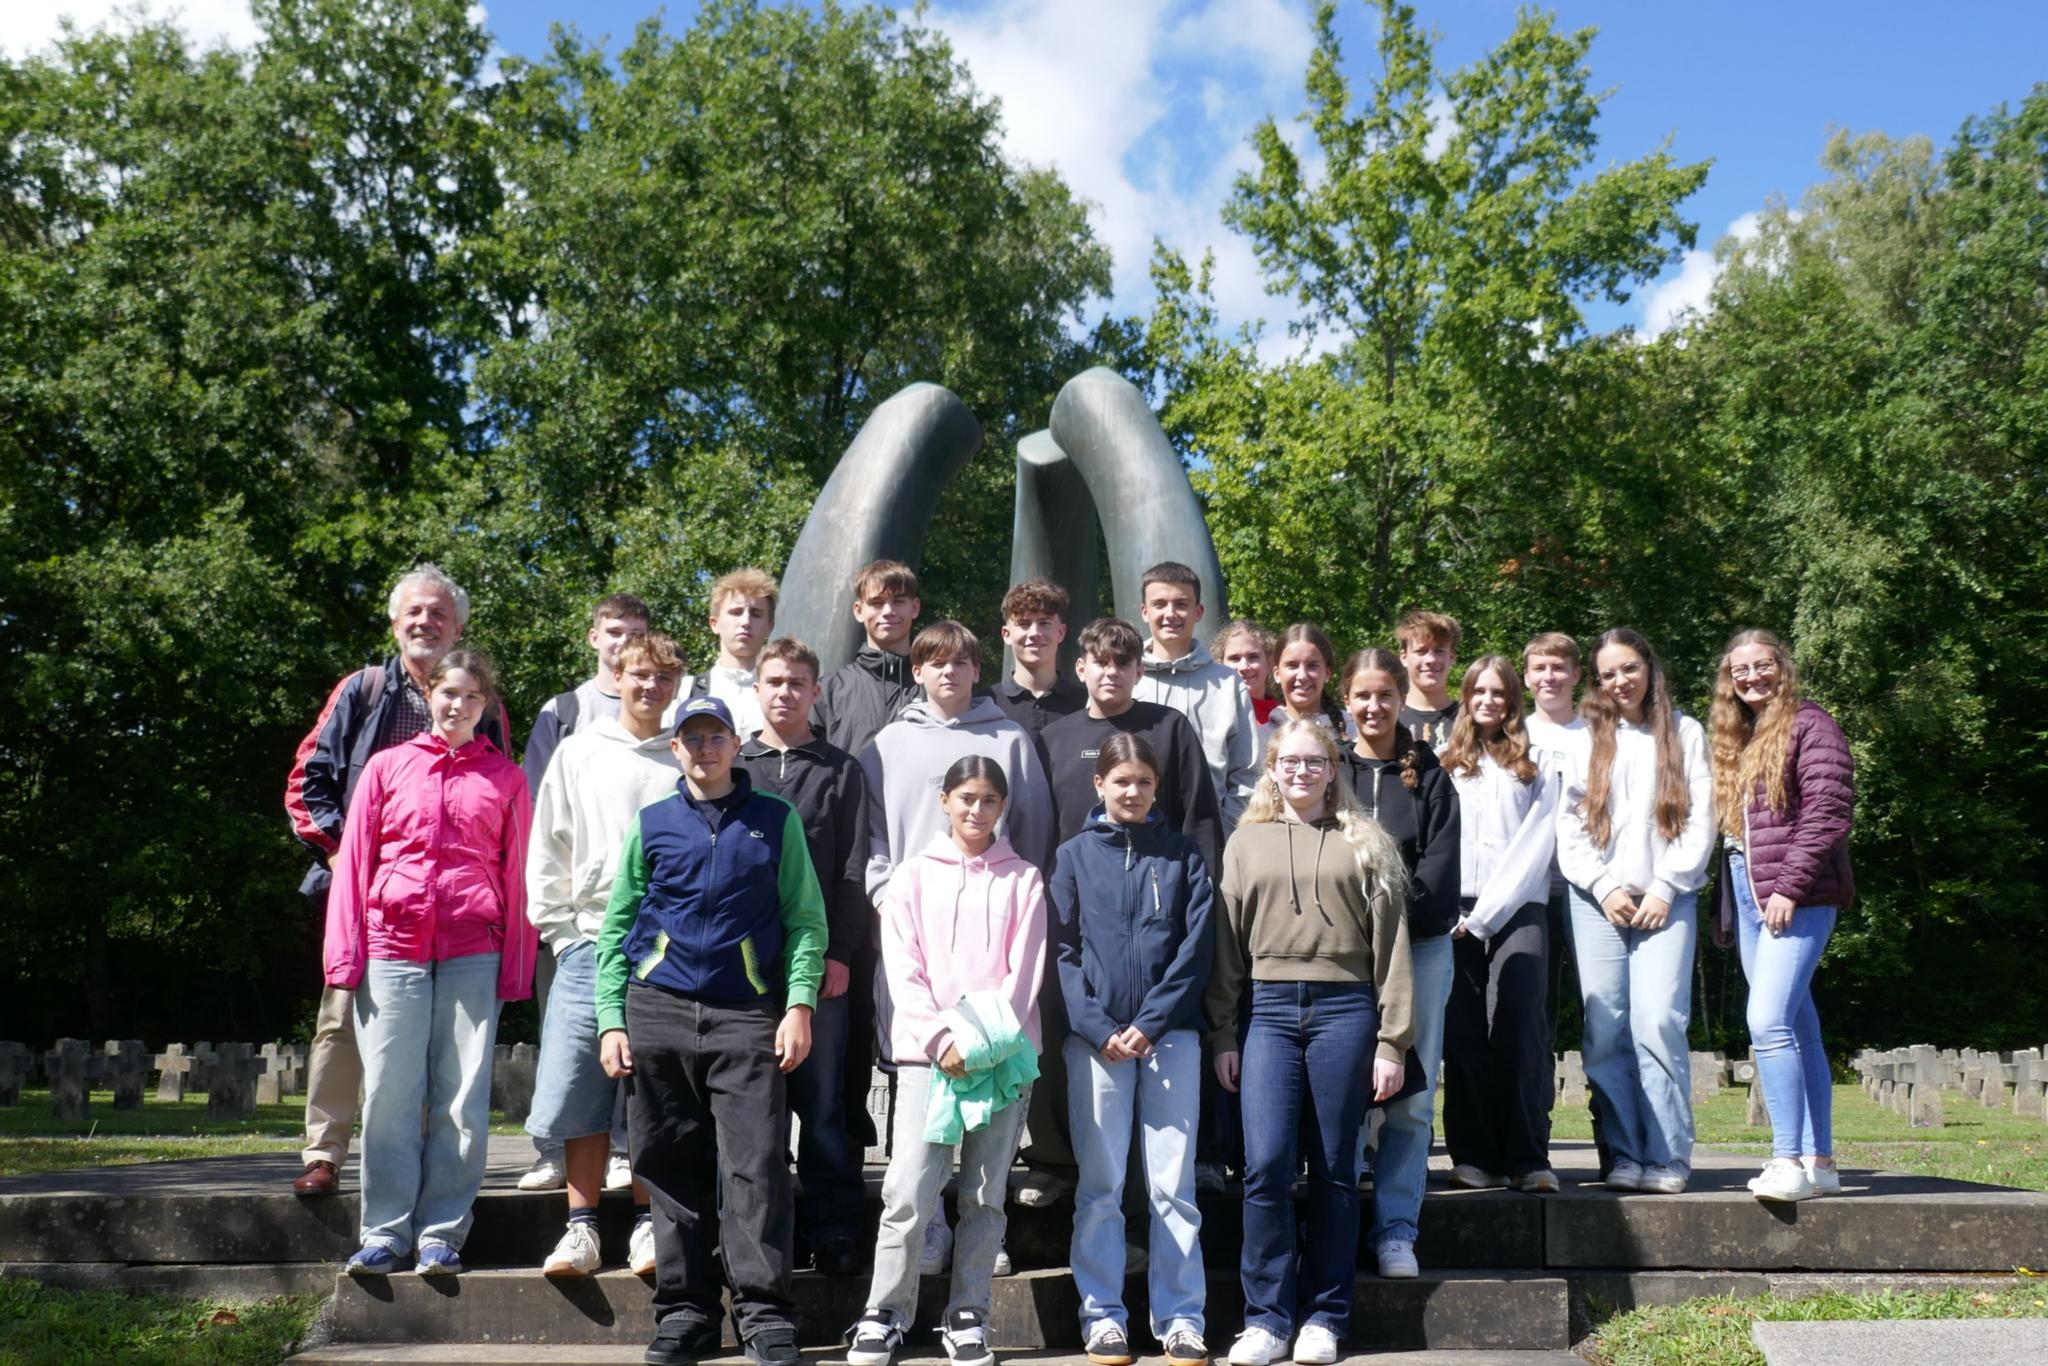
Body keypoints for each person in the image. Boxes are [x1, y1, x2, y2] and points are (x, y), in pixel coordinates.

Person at [596, 695, 827, 1366]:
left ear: (736, 744)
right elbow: (618, 927)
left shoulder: (775, 823)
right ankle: (686, 1314)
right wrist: (612, 1019)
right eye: (691, 737)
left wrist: (798, 1003)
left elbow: (806, 920)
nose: (704, 748)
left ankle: (765, 1315)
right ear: (676, 749)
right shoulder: (653, 824)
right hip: (658, 1011)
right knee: (670, 1167)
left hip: (747, 1015)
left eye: (716, 736)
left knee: (755, 1168)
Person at [284, 563, 510, 1196]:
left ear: (458, 625)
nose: (424, 622)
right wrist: (340, 853)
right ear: (394, 620)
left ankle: (408, 1162)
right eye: (413, 611)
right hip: (360, 892)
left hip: (453, 908)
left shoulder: (482, 703)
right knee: (341, 1018)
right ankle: (324, 1152)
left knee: (425, 1036)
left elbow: (501, 793)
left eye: (438, 613)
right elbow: (306, 783)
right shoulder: (362, 689)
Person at [1207, 721, 1416, 1366]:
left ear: (1333, 768)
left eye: (1315, 760)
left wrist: (1392, 1043)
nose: (1301, 771)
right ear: (1272, 768)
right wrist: (1221, 1032)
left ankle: (1324, 1315)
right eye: (1289, 761)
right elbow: (1225, 947)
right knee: (1266, 1163)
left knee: (1332, 1167)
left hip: (1345, 1010)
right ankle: (1266, 1319)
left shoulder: (1366, 841)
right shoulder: (1246, 843)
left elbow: (1393, 948)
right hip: (1266, 1010)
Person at [324, 649, 535, 1275]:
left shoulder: (506, 779)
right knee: (389, 1091)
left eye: (471, 698)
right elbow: (354, 866)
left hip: (475, 951)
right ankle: (385, 1232)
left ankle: (442, 1231)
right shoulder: (387, 768)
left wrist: (516, 968)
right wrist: (345, 960)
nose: (457, 706)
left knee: (462, 1096)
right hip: (392, 948)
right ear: (429, 697)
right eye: (448, 694)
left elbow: (517, 876)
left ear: (484, 707)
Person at [845, 757, 1048, 1366]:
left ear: (1002, 806)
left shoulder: (1024, 879)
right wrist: (942, 1041)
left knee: (985, 1195)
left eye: (989, 800)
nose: (976, 810)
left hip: (1001, 1057)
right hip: (926, 1060)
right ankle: (885, 1312)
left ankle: (969, 1314)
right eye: (966, 797)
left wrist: (980, 1046)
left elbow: (1025, 972)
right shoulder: (911, 877)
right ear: (945, 799)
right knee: (907, 1190)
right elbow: (903, 968)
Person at [861, 620, 1056, 1254]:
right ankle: (932, 1227)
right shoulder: (887, 744)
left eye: (962, 662)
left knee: (987, 1084)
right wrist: (889, 900)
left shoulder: (1010, 739)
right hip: (917, 940)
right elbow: (873, 842)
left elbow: (1034, 833)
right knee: (919, 1092)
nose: (949, 672)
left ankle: (977, 1222)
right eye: (935, 662)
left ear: (979, 669)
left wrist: (1011, 899)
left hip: (993, 943)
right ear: (916, 670)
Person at [1050, 734, 1213, 1366]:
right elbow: (1061, 952)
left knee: (1173, 1185)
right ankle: (1103, 1316)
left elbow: (1195, 950)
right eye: (1122, 781)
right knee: (1102, 1183)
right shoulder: (1071, 857)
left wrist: (1151, 1022)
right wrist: (1097, 1026)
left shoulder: (1182, 857)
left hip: (1169, 1039)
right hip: (1096, 1045)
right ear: (1100, 786)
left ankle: (1180, 1317)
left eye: (1144, 782)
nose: (1133, 792)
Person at [525, 631, 682, 1279]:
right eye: (638, 674)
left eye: (663, 678)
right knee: (580, 1085)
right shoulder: (578, 752)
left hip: (668, 952)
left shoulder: (687, 755)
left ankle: (649, 1223)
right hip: (590, 940)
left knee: (654, 1090)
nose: (649, 687)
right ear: (615, 675)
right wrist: (562, 936)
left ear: (677, 686)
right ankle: (581, 1228)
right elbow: (549, 850)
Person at [1556, 628, 1714, 1195]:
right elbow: (1569, 826)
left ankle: (1668, 1156)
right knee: (1604, 1031)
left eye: (1628, 668)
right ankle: (1624, 1155)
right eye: (1607, 674)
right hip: (1599, 901)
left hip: (1665, 902)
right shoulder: (1586, 739)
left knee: (1657, 1023)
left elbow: (1700, 820)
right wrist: (1602, 886)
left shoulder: (1685, 733)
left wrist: (1666, 887)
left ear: (1648, 667)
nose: (1619, 682)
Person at [735, 637, 873, 1272]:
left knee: (823, 1107)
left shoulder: (841, 769)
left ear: (816, 692)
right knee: (755, 1111)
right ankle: (765, 1233)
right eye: (774, 682)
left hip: (821, 963)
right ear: (757, 690)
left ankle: (835, 1227)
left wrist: (840, 952)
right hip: (744, 968)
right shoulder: (735, 766)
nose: (785, 692)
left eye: (797, 682)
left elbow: (851, 869)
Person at [1708, 629, 1854, 1203]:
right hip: (1749, 892)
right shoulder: (1742, 735)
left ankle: (1786, 1159)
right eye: (1739, 670)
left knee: (1766, 1021)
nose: (1751, 677)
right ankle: (1821, 1162)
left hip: (1798, 894)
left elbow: (1828, 810)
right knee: (1797, 1026)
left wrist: (1789, 887)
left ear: (1783, 667)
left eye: (1762, 665)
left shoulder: (1810, 724)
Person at [518, 591, 653, 1196]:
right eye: (615, 632)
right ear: (595, 638)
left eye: (636, 633)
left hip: (655, 929)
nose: (624, 643)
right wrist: (556, 925)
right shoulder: (566, 713)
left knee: (637, 1049)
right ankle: (556, 1155)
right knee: (573, 1049)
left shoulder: (675, 729)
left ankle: (627, 1155)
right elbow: (543, 819)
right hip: (580, 925)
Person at [1339, 648, 1458, 1279]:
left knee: (1411, 1097)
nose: (1374, 706)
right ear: (1347, 701)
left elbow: (1440, 868)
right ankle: (1336, 1225)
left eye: (1385, 695)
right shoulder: (1331, 772)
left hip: (1420, 948)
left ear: (1399, 699)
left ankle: (1395, 1230)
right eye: (1362, 695)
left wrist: (1394, 919)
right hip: (1346, 956)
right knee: (1346, 1092)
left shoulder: (1432, 777)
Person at [1438, 657, 1562, 1193]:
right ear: (1465, 698)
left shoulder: (1538, 762)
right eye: (1477, 691)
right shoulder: (1445, 761)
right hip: (1454, 911)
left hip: (1516, 908)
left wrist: (1486, 916)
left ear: (1514, 700)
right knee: (1462, 1032)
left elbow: (1537, 844)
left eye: (1499, 692)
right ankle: (1474, 1155)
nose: (1487, 700)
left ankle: (1528, 1157)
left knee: (1519, 1023)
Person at [1042, 617, 1223, 872]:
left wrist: (1204, 887)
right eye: (1102, 662)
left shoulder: (1171, 727)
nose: (1112, 672)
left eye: (1123, 663)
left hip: (1158, 884)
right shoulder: (1053, 739)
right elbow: (1040, 829)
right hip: (1077, 886)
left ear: (1139, 671)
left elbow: (1200, 818)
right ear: (1081, 669)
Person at [1130, 562, 1258, 830]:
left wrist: (1225, 830)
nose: (1170, 613)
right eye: (1160, 604)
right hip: (1136, 831)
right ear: (1144, 611)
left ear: (1198, 611)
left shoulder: (1227, 684)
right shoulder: (1125, 676)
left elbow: (1247, 771)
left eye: (1181, 604)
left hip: (1208, 832)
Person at [1521, 633, 1588, 1074]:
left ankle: (1613, 1133)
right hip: (1532, 888)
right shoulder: (1514, 732)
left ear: (1577, 675)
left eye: (1559, 667)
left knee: (1600, 1010)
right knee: (1534, 1013)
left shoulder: (1600, 732)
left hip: (1590, 888)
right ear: (1526, 677)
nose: (1550, 677)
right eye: (1540, 668)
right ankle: (1534, 1127)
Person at [816, 559, 923, 757]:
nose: (888, 612)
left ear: (914, 608)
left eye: (898, 601)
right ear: (858, 611)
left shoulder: (932, 686)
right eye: (876, 603)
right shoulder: (829, 689)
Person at [682, 567, 777, 738]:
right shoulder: (685, 692)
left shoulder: (783, 695)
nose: (746, 621)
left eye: (756, 614)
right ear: (714, 623)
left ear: (770, 626)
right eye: (736, 612)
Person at [993, 579, 1087, 738]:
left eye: (1045, 623)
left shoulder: (1086, 704)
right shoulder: (987, 704)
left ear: (1060, 632)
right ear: (1006, 635)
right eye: (1024, 623)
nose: (1035, 633)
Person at [1259, 622, 1349, 745]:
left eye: (1312, 666)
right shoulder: (1261, 739)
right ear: (1277, 674)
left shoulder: (1352, 729)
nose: (1302, 676)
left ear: (1327, 673)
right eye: (1292, 666)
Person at [1394, 611, 1461, 750]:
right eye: (1421, 651)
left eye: (1439, 651)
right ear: (1404, 657)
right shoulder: (1389, 720)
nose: (1431, 659)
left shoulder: (1468, 719)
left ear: (1452, 657)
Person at [1213, 620, 1279, 726]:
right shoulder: (1212, 714)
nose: (1244, 667)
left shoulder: (1283, 716)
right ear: (1220, 664)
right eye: (1234, 658)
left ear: (1269, 662)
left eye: (1253, 657)